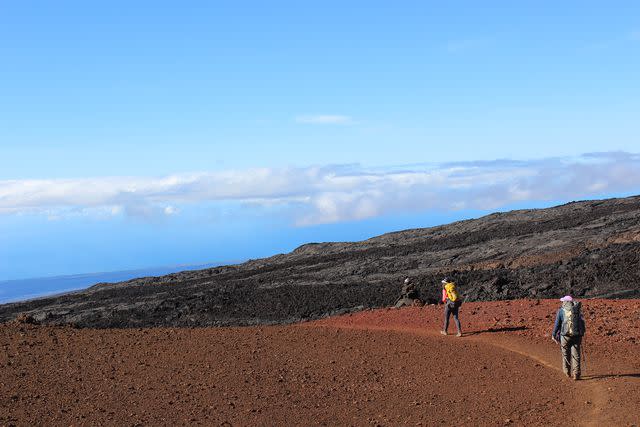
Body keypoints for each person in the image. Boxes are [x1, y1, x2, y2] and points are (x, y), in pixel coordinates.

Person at [552, 295, 586, 380]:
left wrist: (554, 334)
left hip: (565, 336)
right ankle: (576, 374)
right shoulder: (578, 310)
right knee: (576, 355)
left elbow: (557, 324)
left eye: (563, 301)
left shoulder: (561, 311)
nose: (562, 302)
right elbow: (582, 323)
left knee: (565, 354)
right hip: (577, 336)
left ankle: (567, 372)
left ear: (565, 302)